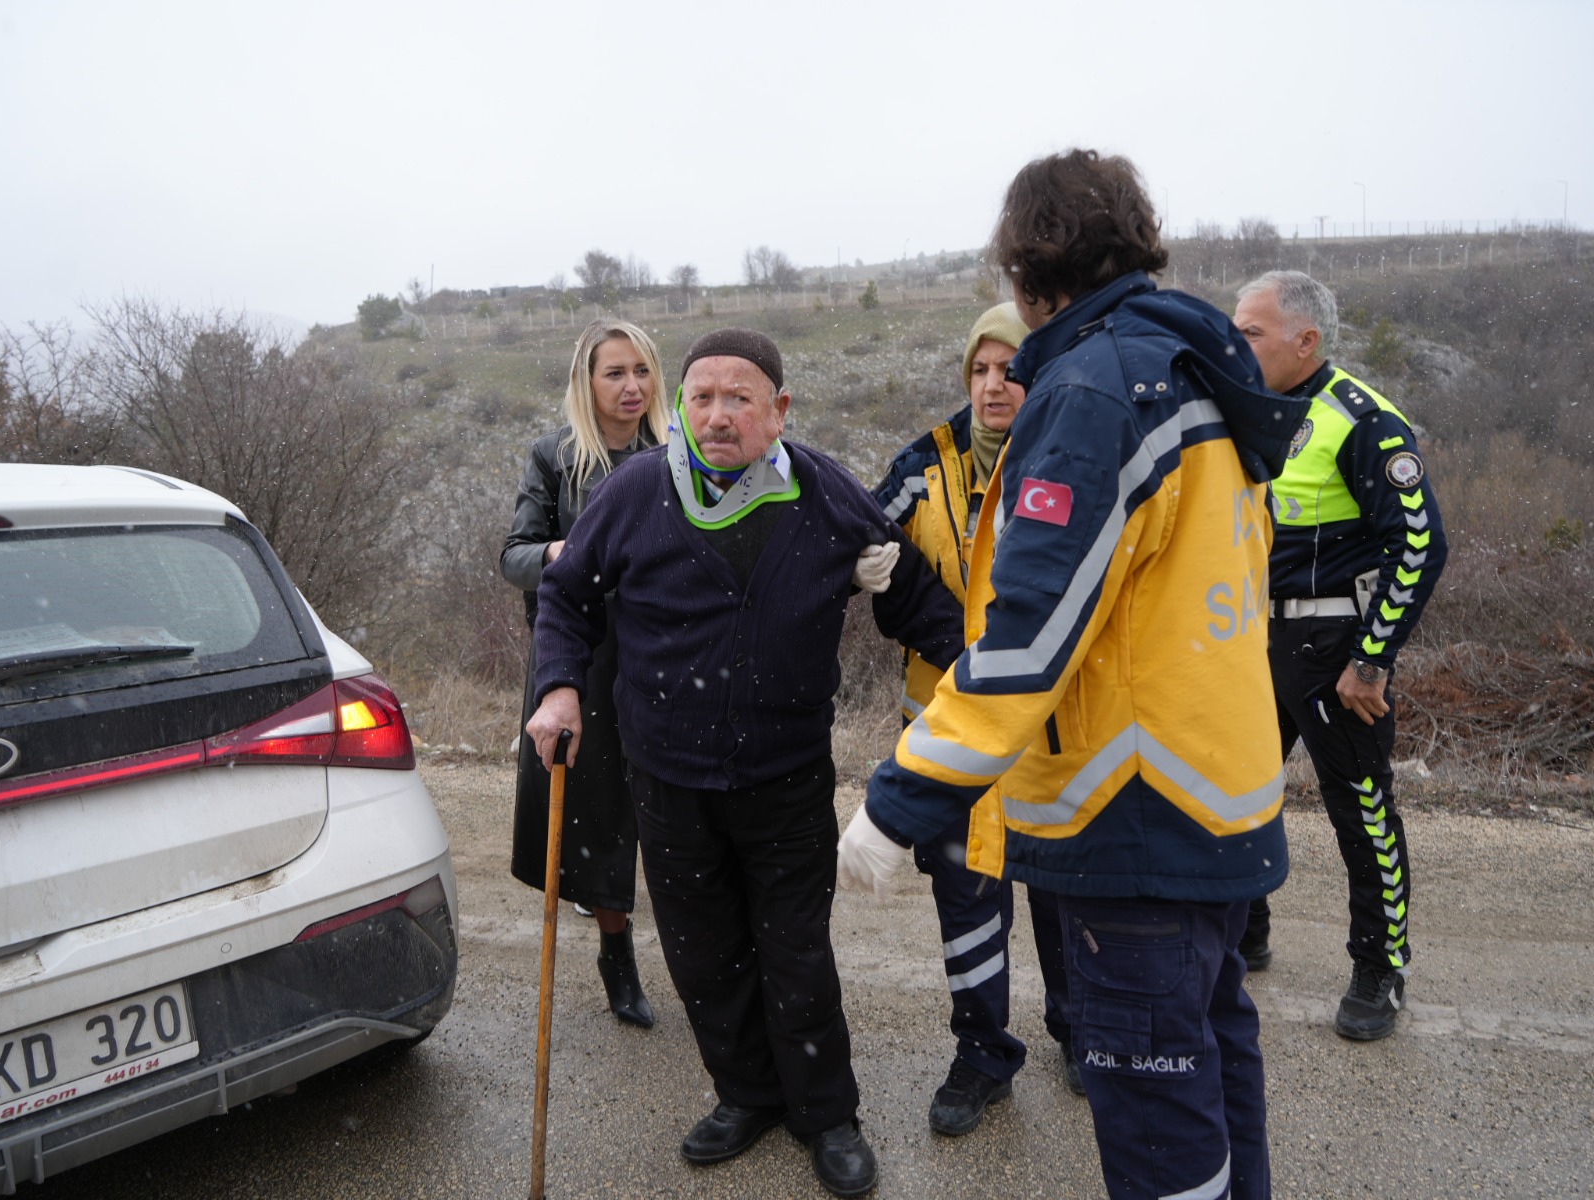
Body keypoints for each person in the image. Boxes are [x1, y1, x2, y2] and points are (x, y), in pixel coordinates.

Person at [839, 149, 1311, 1200]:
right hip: (1218, 798)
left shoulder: (1095, 391)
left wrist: (900, 800)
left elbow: (1029, 635)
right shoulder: (1194, 370)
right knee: (1216, 1075)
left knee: (1159, 1123)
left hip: (1133, 818)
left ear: (1023, 268)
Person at [525, 327, 963, 1198]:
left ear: (779, 410)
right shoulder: (637, 490)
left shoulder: (824, 491)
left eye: (739, 398)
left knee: (795, 951)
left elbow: (917, 600)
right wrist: (559, 687)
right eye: (701, 398)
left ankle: (825, 1114)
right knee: (703, 952)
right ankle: (747, 1093)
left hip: (786, 778)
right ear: (680, 406)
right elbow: (566, 596)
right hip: (668, 779)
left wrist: (983, 686)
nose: (717, 416)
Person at [873, 301, 1078, 1137]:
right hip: (950, 731)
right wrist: (879, 576)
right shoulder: (922, 464)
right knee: (966, 898)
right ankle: (983, 1053)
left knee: (1061, 890)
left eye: (1011, 369)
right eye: (980, 370)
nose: (994, 386)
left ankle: (1078, 1030)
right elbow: (868, 546)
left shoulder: (1073, 453)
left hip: (1052, 734)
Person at [1232, 270, 1447, 1040]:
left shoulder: (1363, 420)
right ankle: (1246, 932)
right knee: (1238, 793)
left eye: (1251, 332)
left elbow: (1419, 545)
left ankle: (1381, 967)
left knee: (1360, 809)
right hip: (1250, 641)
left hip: (1333, 652)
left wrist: (1371, 659)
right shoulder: (1245, 410)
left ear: (1306, 340)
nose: (1237, 345)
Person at [500, 318, 669, 1029]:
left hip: (664, 653)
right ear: (586, 381)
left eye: (642, 370)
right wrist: (562, 552)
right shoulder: (555, 458)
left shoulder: (677, 452)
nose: (632, 386)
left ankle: (701, 957)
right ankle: (616, 956)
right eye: (615, 373)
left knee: (670, 811)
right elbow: (514, 556)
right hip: (584, 660)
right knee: (599, 818)